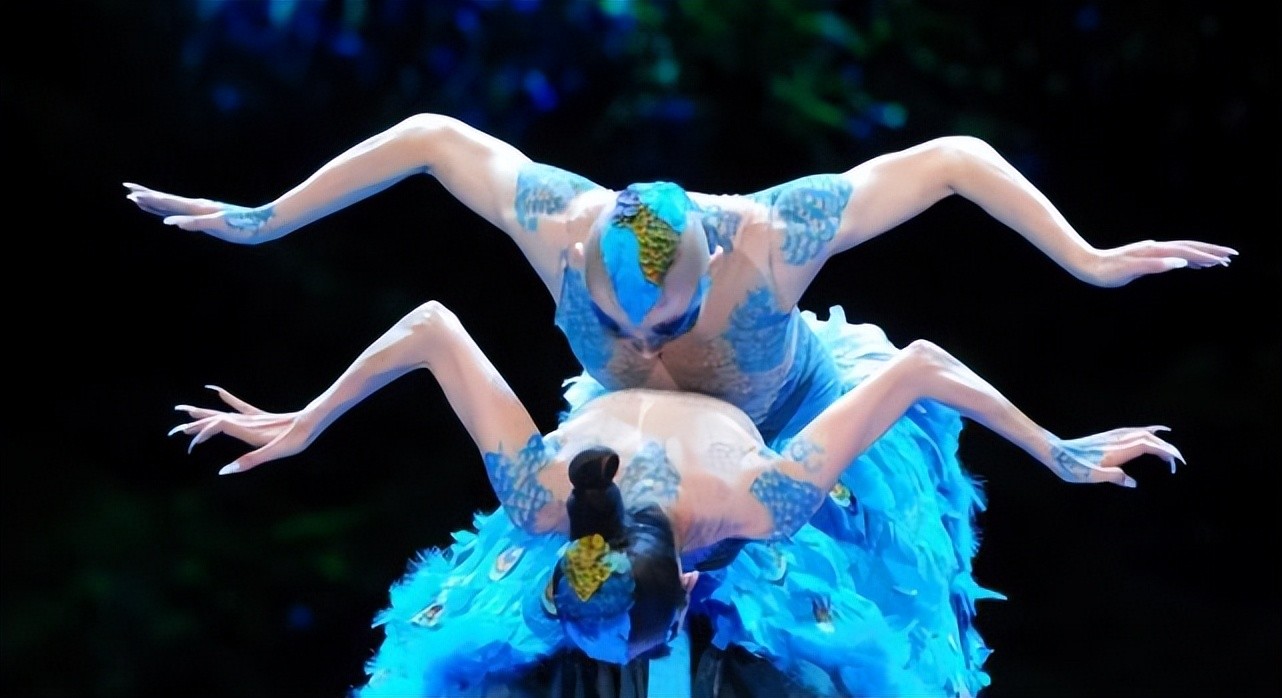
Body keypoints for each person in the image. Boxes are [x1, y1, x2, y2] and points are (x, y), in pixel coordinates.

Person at [128, 112, 1233, 695]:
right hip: (629, 461)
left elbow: (951, 161)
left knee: (845, 641)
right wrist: (264, 222)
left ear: (713, 256)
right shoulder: (555, 222)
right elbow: (428, 140)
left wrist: (1085, 267)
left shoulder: (777, 232)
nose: (650, 346)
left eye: (673, 319)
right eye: (624, 323)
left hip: (793, 409)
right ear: (582, 258)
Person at [169, 299, 1182, 697]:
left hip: (784, 394)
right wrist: (303, 421)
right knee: (461, 643)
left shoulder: (760, 502)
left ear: (692, 581)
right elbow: (432, 328)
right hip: (629, 406)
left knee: (859, 626)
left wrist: (1053, 449)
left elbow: (918, 363)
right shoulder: (542, 497)